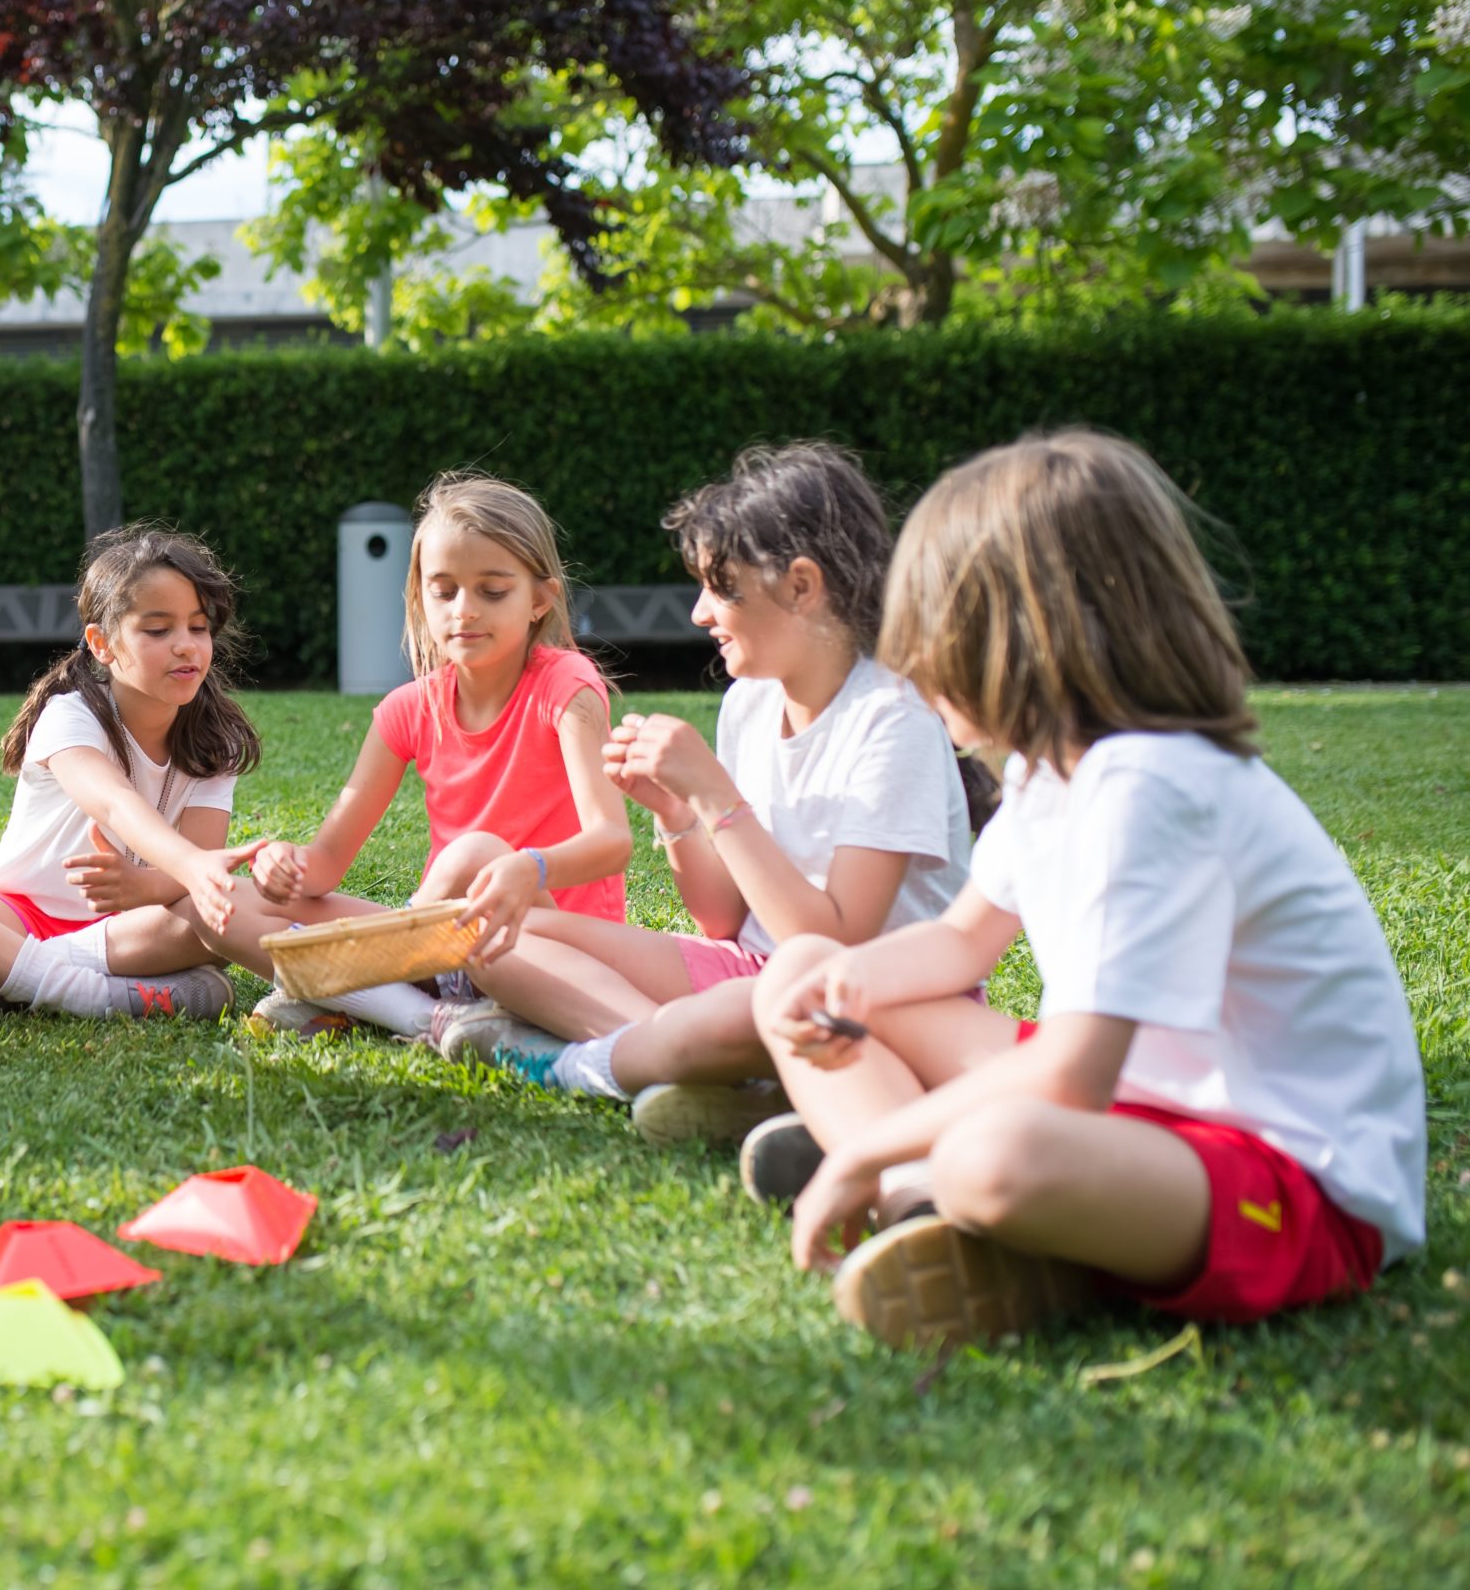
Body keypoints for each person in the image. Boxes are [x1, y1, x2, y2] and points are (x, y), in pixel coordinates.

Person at [749, 429, 1424, 1350]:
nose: (905, 666)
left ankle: (928, 1178)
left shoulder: (1148, 783)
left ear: (1012, 638)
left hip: (1294, 1177)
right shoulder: (1047, 773)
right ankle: (918, 1207)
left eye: (926, 638)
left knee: (999, 1155)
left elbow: (1070, 1073)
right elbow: (959, 944)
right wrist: (842, 992)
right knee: (802, 965)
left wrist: (865, 1142)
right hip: (1141, 1111)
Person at [432, 446, 978, 1146]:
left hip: (866, 995)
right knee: (490, 933)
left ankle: (609, 1062)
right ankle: (701, 1069)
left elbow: (832, 943)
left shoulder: (891, 720)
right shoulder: (749, 703)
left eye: (721, 588)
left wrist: (716, 795)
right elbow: (723, 918)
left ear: (802, 586)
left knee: (732, 1012)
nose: (699, 612)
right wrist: (676, 811)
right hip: (753, 970)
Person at [212, 473, 632, 1041]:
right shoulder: (407, 709)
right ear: (418, 596)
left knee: (474, 854)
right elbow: (325, 865)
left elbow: (612, 842)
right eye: (444, 589)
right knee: (228, 904)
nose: (465, 610)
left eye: (492, 590)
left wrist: (525, 868)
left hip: (550, 944)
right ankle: (423, 1015)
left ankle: (358, 991)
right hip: (442, 938)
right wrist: (285, 863)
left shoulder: (567, 687)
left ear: (540, 600)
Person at [0, 525, 262, 1026]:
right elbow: (115, 803)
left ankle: (2, 979)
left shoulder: (216, 740)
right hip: (13, 916)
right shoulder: (70, 715)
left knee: (214, 916)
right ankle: (114, 992)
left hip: (128, 931)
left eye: (199, 627)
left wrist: (145, 888)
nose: (186, 646)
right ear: (101, 644)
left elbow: (196, 873)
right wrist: (187, 871)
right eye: (159, 630)